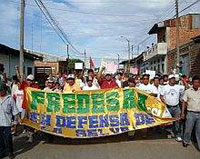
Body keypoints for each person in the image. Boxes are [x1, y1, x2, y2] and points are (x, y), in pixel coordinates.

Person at [160, 74, 185, 142]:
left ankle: (178, 135)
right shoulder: (165, 87)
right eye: (171, 79)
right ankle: (169, 132)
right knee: (168, 121)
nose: (173, 80)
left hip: (176, 107)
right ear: (169, 80)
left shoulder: (178, 87)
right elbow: (161, 96)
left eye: (174, 79)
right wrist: (164, 102)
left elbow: (186, 88)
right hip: (168, 107)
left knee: (178, 121)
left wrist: (183, 80)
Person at [0, 83, 20, 159]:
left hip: (7, 123)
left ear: (4, 90)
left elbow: (15, 111)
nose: (0, 92)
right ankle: (2, 152)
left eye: (1, 91)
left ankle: (10, 152)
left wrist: (15, 122)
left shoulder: (9, 98)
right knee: (0, 139)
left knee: (8, 138)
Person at [181, 75, 200, 150]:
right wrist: (182, 113)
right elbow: (184, 102)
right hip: (190, 113)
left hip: (199, 113)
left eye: (198, 82)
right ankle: (186, 141)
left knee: (199, 131)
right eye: (195, 82)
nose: (197, 84)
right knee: (188, 129)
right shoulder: (188, 91)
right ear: (192, 83)